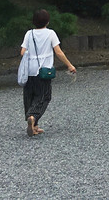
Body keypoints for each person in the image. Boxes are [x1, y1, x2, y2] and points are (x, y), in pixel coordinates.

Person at [19, 8, 76, 137]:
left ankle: (34, 126)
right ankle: (32, 117)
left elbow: (22, 52)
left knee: (30, 97)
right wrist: (69, 65)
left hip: (29, 71)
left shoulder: (29, 34)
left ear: (33, 21)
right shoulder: (51, 34)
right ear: (47, 21)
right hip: (44, 72)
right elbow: (58, 52)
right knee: (44, 96)